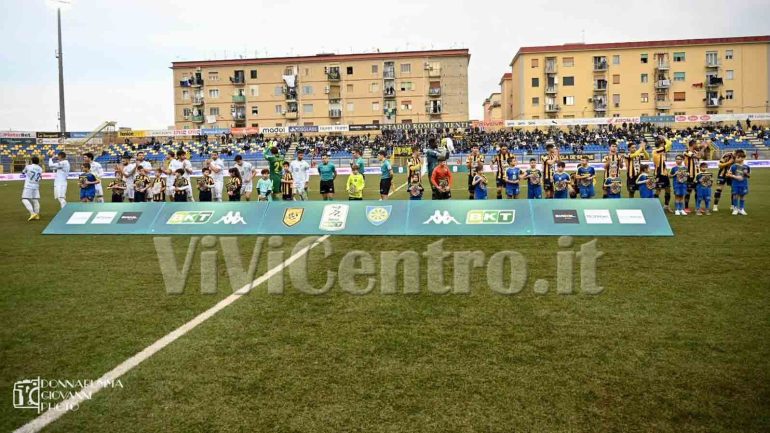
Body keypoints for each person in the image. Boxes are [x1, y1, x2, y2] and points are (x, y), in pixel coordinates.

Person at [683, 139, 707, 211]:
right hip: (690, 175)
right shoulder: (686, 152)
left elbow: (702, 155)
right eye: (696, 144)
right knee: (688, 191)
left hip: (697, 175)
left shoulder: (695, 151)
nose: (697, 145)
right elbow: (698, 156)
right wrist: (702, 148)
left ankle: (698, 207)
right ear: (692, 145)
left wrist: (703, 148)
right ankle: (686, 207)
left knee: (698, 191)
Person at [652, 136, 673, 212]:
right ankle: (654, 206)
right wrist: (664, 137)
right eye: (663, 144)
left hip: (664, 173)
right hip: (659, 174)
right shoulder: (656, 151)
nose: (664, 145)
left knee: (668, 190)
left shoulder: (661, 152)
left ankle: (666, 205)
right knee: (658, 190)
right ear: (661, 145)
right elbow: (669, 143)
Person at [728, 149, 750, 215]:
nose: (740, 159)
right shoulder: (733, 166)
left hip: (743, 184)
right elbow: (728, 174)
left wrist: (746, 174)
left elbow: (749, 176)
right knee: (735, 195)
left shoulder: (746, 167)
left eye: (742, 157)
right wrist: (735, 177)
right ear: (736, 158)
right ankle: (735, 208)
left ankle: (741, 209)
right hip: (735, 184)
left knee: (742, 196)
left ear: (744, 158)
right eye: (738, 157)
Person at [21, 156, 43, 221]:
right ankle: (37, 215)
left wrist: (26, 164)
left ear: (32, 161)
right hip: (36, 185)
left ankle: (32, 213)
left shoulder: (28, 166)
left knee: (24, 199)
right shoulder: (40, 168)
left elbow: (23, 172)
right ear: (38, 162)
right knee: (35, 200)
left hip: (28, 185)